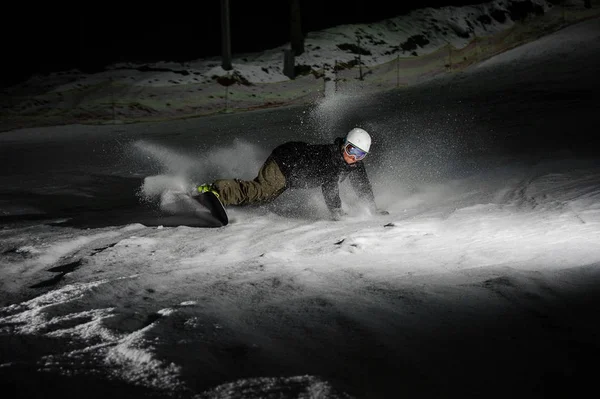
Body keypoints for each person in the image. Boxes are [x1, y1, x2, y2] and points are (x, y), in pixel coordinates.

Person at [193, 127, 388, 220]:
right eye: (350, 150)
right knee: (262, 191)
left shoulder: (354, 164)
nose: (353, 157)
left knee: (263, 198)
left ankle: (226, 198)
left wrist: (372, 207)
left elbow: (362, 184)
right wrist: (337, 212)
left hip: (291, 171)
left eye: (359, 154)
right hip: (286, 162)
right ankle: (217, 191)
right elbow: (329, 186)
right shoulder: (333, 158)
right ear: (343, 145)